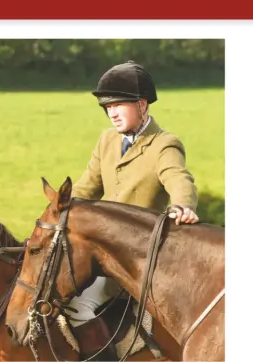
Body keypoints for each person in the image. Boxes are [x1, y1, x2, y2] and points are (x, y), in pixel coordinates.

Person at [67, 60, 200, 361]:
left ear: (141, 105)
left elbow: (180, 180)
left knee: (77, 305)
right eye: (106, 106)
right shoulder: (106, 140)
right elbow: (87, 188)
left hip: (133, 259)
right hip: (99, 247)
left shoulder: (164, 145)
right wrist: (56, 211)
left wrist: (182, 205)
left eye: (118, 105)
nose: (111, 112)